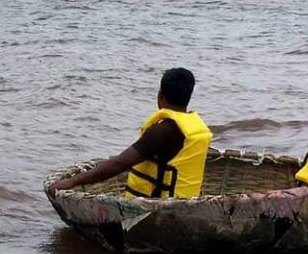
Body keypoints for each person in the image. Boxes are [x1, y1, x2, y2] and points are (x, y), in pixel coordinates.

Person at [47, 68, 212, 199]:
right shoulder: (197, 128)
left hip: (157, 209)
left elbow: (119, 164)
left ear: (160, 96)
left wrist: (71, 181)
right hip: (186, 201)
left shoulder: (163, 131)